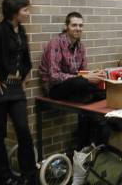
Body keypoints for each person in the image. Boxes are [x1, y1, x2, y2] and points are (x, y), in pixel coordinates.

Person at [0, 0, 37, 185]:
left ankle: (29, 175)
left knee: (23, 130)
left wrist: (25, 72)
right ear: (14, 12)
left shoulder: (21, 31)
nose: (28, 13)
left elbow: (23, 58)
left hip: (15, 89)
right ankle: (2, 177)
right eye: (25, 10)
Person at [39, 12, 106, 149]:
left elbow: (83, 73)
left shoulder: (80, 47)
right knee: (81, 82)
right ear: (66, 26)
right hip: (54, 89)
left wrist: (94, 75)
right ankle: (90, 98)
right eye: (74, 25)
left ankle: (85, 147)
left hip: (75, 86)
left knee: (102, 84)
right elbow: (54, 76)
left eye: (81, 25)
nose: (78, 28)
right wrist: (84, 78)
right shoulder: (55, 43)